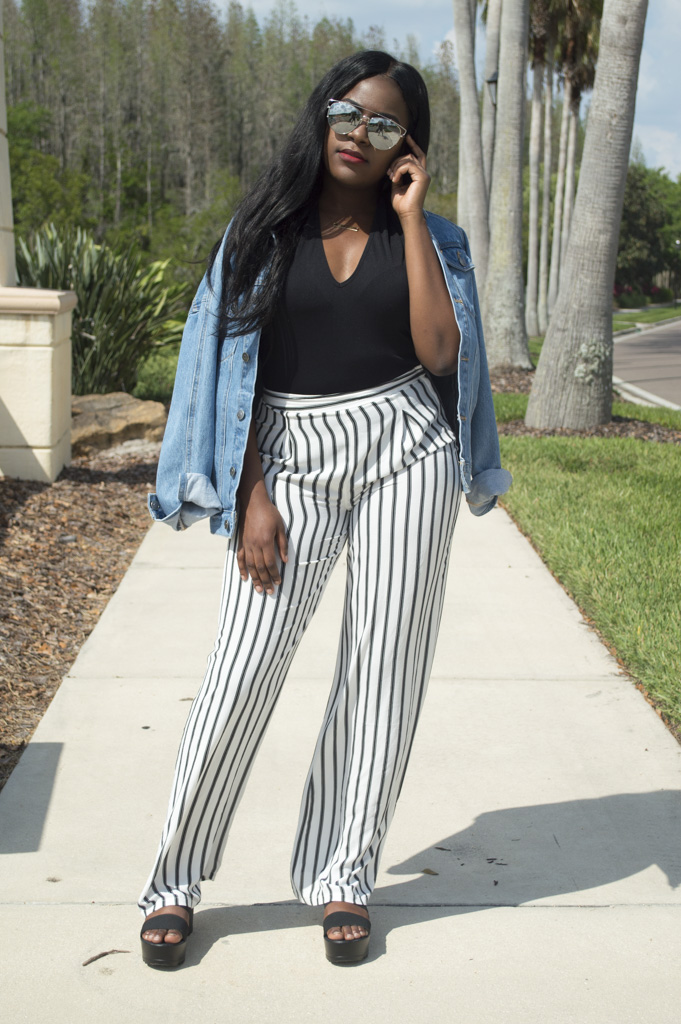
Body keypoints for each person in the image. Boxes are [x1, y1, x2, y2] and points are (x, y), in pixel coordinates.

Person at [138, 49, 511, 968]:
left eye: (383, 124)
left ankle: (345, 873)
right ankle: (173, 880)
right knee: (240, 672)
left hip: (405, 450)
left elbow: (436, 355)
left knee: (381, 672)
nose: (358, 133)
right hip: (291, 458)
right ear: (321, 115)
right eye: (347, 112)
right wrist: (252, 492)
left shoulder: (432, 238)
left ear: (407, 146)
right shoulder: (264, 230)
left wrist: (413, 216)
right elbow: (237, 375)